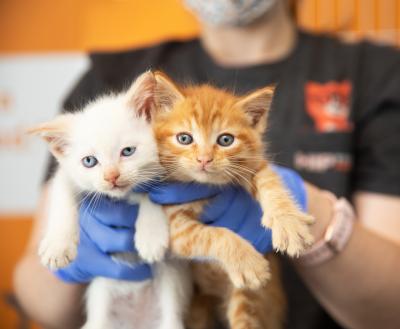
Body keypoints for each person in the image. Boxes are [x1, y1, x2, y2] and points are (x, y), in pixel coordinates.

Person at [13, 0, 400, 328]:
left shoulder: (375, 73)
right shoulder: (113, 82)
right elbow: (38, 301)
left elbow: (391, 307)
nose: (202, 157)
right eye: (184, 139)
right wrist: (70, 257)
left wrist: (312, 212)